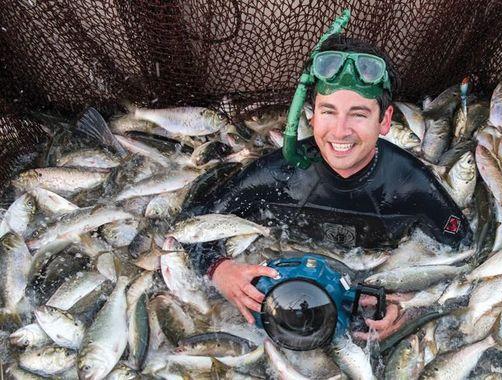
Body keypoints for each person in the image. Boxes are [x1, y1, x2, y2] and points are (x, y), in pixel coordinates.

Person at [180, 35, 471, 341]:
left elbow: (466, 256)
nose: (340, 130)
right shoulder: (276, 174)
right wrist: (220, 269)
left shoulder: (411, 185)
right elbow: (193, 223)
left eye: (358, 114)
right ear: (313, 114)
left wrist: (409, 308)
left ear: (384, 121)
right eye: (328, 111)